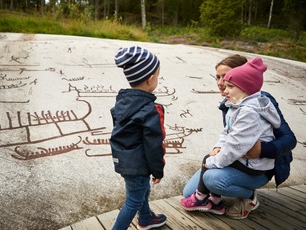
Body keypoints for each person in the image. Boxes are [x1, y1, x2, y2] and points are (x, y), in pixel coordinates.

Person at [182, 54, 297, 219]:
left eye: (227, 78)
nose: (221, 83)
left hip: (259, 165)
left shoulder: (258, 104)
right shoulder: (232, 101)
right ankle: (215, 197)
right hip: (238, 159)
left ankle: (249, 196)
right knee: (189, 192)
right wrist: (217, 148)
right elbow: (229, 134)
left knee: (212, 180)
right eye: (218, 77)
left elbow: (289, 139)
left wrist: (263, 149)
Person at [110, 46, 167, 230]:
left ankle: (145, 218)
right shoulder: (150, 109)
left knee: (141, 189)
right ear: (150, 79)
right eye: (157, 76)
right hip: (139, 163)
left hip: (125, 160)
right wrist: (158, 170)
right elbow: (154, 145)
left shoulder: (123, 102)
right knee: (133, 201)